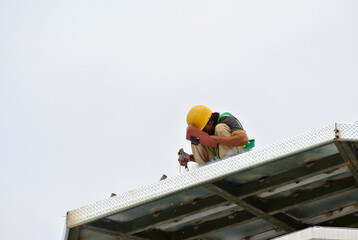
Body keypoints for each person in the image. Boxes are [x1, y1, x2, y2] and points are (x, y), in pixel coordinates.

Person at [179, 105, 249, 166]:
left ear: (211, 121)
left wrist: (216, 139)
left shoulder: (226, 120)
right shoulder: (207, 131)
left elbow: (243, 140)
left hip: (237, 158)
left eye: (203, 129)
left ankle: (229, 161)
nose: (204, 132)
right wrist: (189, 158)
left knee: (220, 128)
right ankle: (204, 171)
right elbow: (214, 154)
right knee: (195, 138)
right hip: (217, 163)